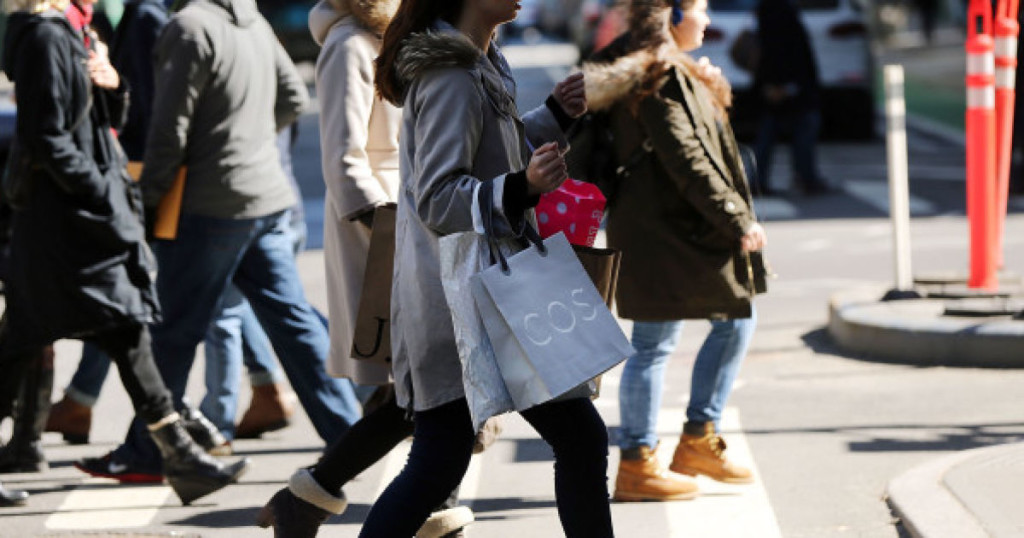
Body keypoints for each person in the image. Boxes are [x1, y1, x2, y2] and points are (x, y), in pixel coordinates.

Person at [76, 0, 364, 483]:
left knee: (172, 331)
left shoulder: (188, 28)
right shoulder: (250, 19)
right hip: (265, 196)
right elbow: (293, 97)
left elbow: (170, 131)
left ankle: (148, 452)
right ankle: (352, 439)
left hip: (211, 205)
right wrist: (246, 142)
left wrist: (147, 203)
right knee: (294, 324)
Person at [353, 1, 610, 536]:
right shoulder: (451, 73)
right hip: (463, 303)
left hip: (489, 295)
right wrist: (523, 187)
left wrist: (555, 117)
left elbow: (494, 144)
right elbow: (438, 196)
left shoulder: (478, 61)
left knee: (450, 458)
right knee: (452, 458)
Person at [0, 0, 249, 505]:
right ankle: (179, 455)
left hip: (81, 223)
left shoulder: (77, 31)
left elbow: (98, 122)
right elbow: (47, 136)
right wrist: (101, 193)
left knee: (127, 330)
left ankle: (180, 456)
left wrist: (112, 84)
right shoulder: (46, 37)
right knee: (22, 347)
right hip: (60, 227)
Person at [256, 2, 474, 536]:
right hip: (384, 235)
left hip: (410, 225)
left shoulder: (390, 37)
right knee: (427, 388)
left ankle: (318, 497)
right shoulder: (351, 42)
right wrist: (390, 233)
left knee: (422, 391)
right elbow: (345, 157)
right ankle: (327, 496)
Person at [578, 0, 768, 502]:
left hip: (664, 228)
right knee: (675, 337)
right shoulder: (658, 76)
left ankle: (686, 443)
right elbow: (686, 156)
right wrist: (736, 215)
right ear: (674, 16)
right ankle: (646, 459)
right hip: (667, 232)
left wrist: (706, 84)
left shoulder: (668, 70)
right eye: (701, 10)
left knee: (717, 322)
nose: (708, 21)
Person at [752, 0, 829, 196]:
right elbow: (790, 53)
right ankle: (805, 177)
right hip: (789, 84)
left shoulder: (767, 14)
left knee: (770, 134)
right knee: (798, 131)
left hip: (779, 85)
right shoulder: (780, 13)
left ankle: (762, 179)